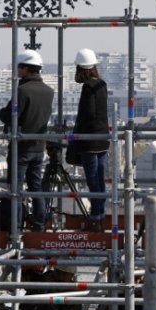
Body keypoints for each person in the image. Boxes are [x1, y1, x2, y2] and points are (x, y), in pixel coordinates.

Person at [0, 49, 54, 231]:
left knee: (16, 190)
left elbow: (9, 115)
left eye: (18, 67)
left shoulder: (22, 91)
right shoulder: (48, 91)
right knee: (36, 187)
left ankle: (16, 226)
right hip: (39, 147)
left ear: (25, 68)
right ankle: (39, 224)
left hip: (21, 146)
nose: (17, 71)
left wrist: (3, 113)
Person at [69, 48, 109, 231]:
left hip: (89, 141)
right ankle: (99, 214)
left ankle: (95, 218)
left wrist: (77, 135)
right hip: (102, 139)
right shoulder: (101, 84)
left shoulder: (88, 87)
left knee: (93, 180)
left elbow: (87, 114)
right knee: (99, 180)